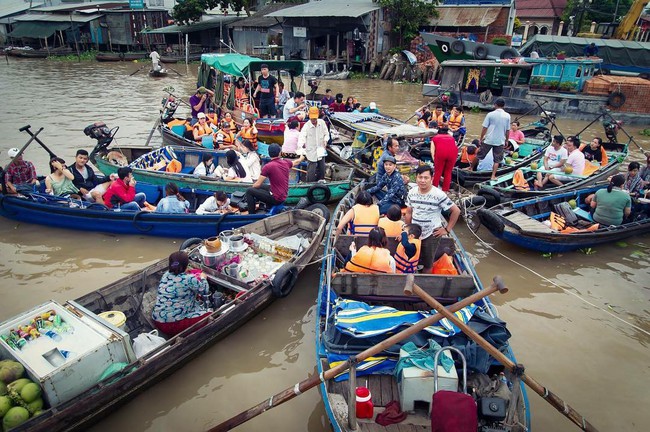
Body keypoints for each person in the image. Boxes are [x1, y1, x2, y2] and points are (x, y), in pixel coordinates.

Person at [404, 165, 460, 274]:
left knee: (428, 262)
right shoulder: (412, 192)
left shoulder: (438, 194)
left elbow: (456, 211)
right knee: (412, 257)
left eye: (426, 178)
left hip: (432, 233)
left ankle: (425, 283)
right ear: (416, 178)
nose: (423, 181)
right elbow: (409, 212)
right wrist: (407, 230)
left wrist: (447, 229)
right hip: (415, 232)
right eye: (420, 177)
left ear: (432, 178)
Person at [151, 251, 212, 336]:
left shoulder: (166, 275)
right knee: (210, 315)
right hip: (171, 325)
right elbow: (204, 290)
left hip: (157, 319)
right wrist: (203, 278)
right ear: (186, 265)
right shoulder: (189, 279)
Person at [244, 144, 303, 212]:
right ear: (279, 153)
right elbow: (297, 162)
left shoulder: (267, 167)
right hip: (283, 195)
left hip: (276, 199)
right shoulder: (285, 162)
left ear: (269, 154)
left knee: (249, 191)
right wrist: (302, 157)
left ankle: (251, 214)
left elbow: (257, 184)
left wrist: (252, 187)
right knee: (262, 186)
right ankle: (260, 204)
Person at [471, 98, 511, 179]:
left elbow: (484, 128)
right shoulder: (507, 116)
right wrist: (506, 140)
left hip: (489, 139)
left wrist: (481, 138)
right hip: (500, 140)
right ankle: (493, 175)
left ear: (495, 105)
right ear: (504, 106)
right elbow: (507, 130)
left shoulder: (490, 114)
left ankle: (471, 167)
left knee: (479, 155)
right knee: (497, 160)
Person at [298, 106, 329, 182]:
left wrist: (325, 140)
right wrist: (301, 147)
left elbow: (326, 134)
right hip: (311, 150)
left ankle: (321, 181)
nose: (313, 120)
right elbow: (302, 137)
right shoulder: (306, 126)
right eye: (312, 119)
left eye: (315, 119)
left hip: (321, 149)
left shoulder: (322, 123)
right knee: (311, 170)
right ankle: (310, 184)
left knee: (322, 168)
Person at [431, 124, 458, 192]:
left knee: (438, 172)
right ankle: (445, 190)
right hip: (453, 154)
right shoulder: (452, 138)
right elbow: (455, 147)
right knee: (448, 172)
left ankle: (434, 189)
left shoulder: (435, 138)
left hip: (441, 154)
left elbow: (432, 151)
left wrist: (435, 160)